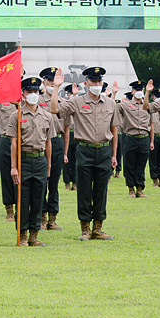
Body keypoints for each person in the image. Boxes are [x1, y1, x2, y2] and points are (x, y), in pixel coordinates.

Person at [51, 67, 119, 241]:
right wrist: (57, 87)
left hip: (104, 150)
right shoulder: (77, 101)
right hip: (85, 150)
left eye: (99, 81)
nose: (96, 84)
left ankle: (98, 227)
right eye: (93, 81)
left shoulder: (111, 103)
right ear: (86, 83)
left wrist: (114, 155)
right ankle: (85, 229)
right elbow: (54, 110)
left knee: (101, 190)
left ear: (102, 83)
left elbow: (114, 130)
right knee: (84, 190)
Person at [8, 77, 52, 246]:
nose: (33, 94)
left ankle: (34, 234)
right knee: (22, 198)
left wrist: (48, 165)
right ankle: (23, 235)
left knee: (38, 199)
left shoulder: (46, 115)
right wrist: (13, 167)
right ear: (23, 94)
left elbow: (48, 142)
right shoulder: (16, 115)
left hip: (39, 160)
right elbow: (13, 143)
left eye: (35, 91)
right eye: (29, 91)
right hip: (23, 161)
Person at [38, 67, 65, 229]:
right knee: (42, 182)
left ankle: (52, 218)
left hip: (57, 143)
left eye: (53, 80)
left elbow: (66, 129)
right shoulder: (37, 100)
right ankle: (41, 216)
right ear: (44, 82)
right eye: (49, 80)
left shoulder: (63, 102)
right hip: (41, 143)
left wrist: (66, 151)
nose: (51, 83)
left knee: (54, 183)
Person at [117, 80, 153, 198]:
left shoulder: (147, 105)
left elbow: (151, 124)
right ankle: (131, 188)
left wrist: (151, 141)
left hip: (144, 138)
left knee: (141, 164)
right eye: (136, 90)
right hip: (130, 138)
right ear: (132, 92)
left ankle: (140, 189)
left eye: (140, 90)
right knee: (129, 164)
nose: (138, 92)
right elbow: (113, 107)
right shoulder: (126, 105)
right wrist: (113, 93)